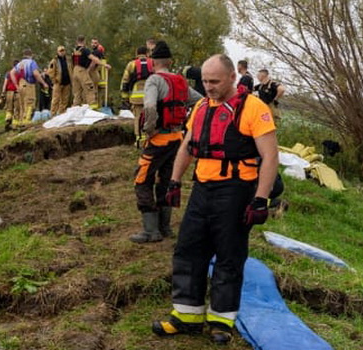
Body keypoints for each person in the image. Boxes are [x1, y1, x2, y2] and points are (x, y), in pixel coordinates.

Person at [152, 54, 279, 345]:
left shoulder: (253, 109)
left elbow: (271, 156)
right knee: (188, 249)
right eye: (205, 81)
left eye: (214, 81)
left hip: (236, 191)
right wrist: (174, 181)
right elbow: (187, 146)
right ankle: (186, 315)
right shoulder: (200, 106)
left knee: (229, 256)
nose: (208, 87)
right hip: (202, 189)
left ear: (232, 77)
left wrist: (260, 200)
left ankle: (221, 320)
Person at [129, 41, 203, 244]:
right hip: (177, 139)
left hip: (159, 139)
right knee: (166, 180)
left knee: (142, 180)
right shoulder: (180, 81)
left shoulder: (153, 80)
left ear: (152, 62)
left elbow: (150, 108)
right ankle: (165, 228)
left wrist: (149, 130)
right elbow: (200, 101)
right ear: (170, 61)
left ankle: (150, 231)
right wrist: (187, 122)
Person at [120, 46, 154, 142]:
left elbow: (125, 81)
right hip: (151, 96)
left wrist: (125, 97)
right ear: (147, 54)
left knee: (138, 118)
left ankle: (140, 139)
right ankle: (150, 138)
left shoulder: (131, 65)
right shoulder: (153, 63)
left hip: (136, 97)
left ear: (137, 54)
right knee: (151, 116)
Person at [71, 35, 111, 109]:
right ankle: (93, 110)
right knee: (90, 89)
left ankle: (75, 110)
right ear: (84, 41)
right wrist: (104, 65)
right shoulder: (84, 50)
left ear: (77, 41)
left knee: (77, 93)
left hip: (74, 71)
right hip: (82, 70)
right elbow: (94, 59)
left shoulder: (74, 51)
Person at [14, 49, 49, 126]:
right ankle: (27, 120)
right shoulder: (32, 62)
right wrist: (43, 83)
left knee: (22, 103)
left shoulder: (19, 64)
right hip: (29, 84)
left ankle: (21, 121)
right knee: (30, 102)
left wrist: (16, 84)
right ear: (31, 55)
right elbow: (36, 74)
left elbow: (12, 73)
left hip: (20, 84)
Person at [47, 46, 73, 116]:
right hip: (58, 83)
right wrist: (54, 79)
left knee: (65, 100)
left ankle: (62, 113)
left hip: (67, 82)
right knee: (55, 99)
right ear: (57, 52)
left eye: (63, 51)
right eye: (60, 51)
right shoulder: (54, 61)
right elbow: (50, 71)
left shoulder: (68, 60)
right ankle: (53, 114)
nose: (62, 52)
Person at [0, 60, 20, 130]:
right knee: (17, 109)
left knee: (9, 109)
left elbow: (5, 84)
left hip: (9, 92)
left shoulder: (8, 73)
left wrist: (3, 92)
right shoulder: (20, 73)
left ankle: (8, 121)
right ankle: (15, 125)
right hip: (18, 93)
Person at [90, 38, 108, 106]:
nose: (93, 44)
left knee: (95, 93)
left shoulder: (96, 53)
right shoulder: (103, 56)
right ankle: (98, 107)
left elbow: (93, 64)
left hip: (98, 78)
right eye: (93, 43)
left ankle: (95, 108)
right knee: (99, 96)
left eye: (95, 43)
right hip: (102, 80)